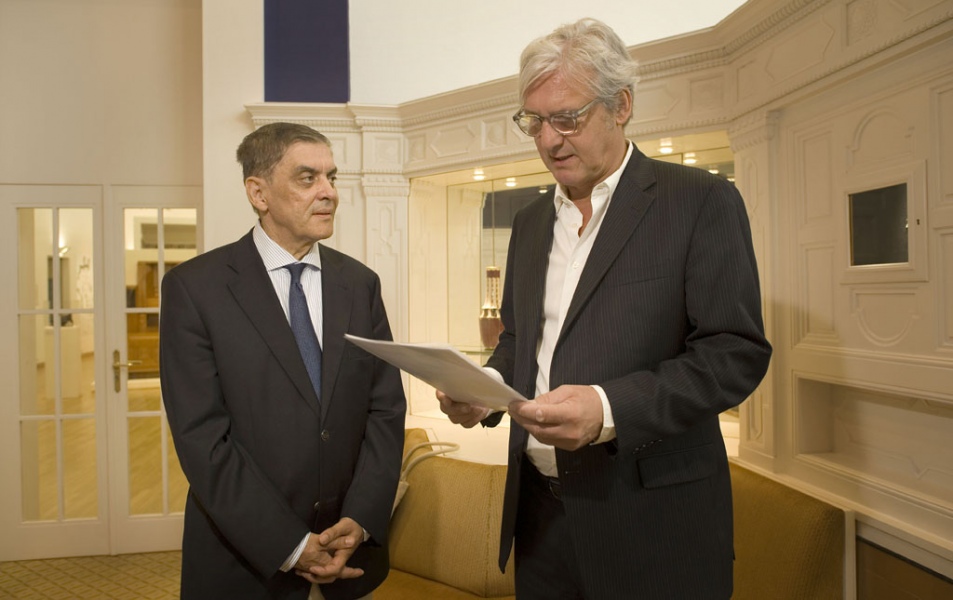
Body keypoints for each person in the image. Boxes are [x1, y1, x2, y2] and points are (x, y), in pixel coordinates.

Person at [437, 18, 772, 600]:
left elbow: (734, 354)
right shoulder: (530, 223)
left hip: (654, 528)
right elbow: (520, 341)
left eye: (567, 118)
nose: (549, 140)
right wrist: (484, 389)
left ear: (621, 106)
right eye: (534, 121)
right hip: (540, 523)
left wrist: (608, 408)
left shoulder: (700, 201)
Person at [160, 122, 406, 600]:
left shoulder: (360, 285)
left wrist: (361, 518)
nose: (328, 192)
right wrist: (290, 546)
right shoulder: (195, 289)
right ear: (259, 193)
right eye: (307, 178)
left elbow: (385, 410)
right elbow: (202, 437)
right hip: (244, 564)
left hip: (349, 556)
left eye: (331, 177)